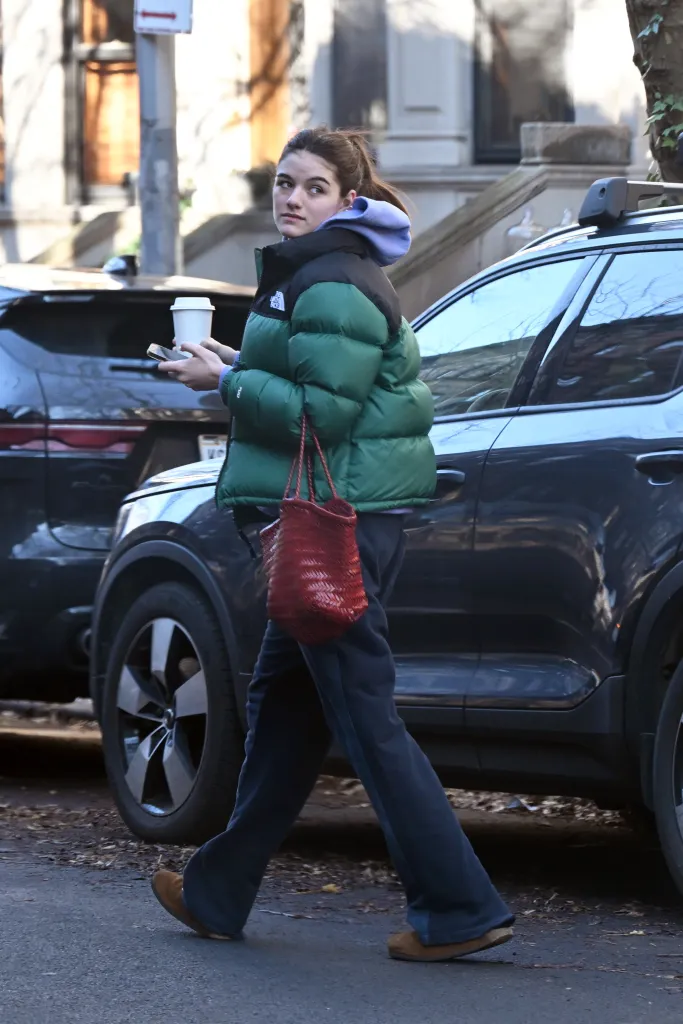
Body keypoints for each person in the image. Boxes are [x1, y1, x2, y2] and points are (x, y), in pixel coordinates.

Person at [151, 126, 514, 962]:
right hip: (329, 522)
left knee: (366, 720)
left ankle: (459, 906)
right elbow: (318, 383)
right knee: (283, 711)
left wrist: (229, 382)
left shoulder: (333, 280)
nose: (291, 198)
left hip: (336, 529)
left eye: (312, 187)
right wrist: (234, 362)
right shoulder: (316, 275)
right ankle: (218, 889)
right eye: (283, 182)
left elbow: (325, 416)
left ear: (347, 201)